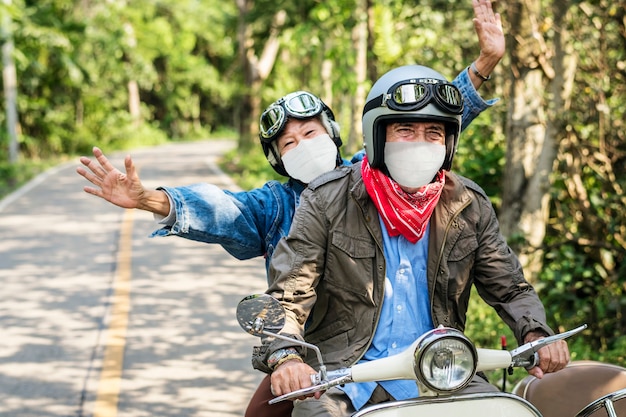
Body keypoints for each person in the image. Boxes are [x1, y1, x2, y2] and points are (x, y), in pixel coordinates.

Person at [76, 2, 505, 414]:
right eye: (289, 143)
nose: (303, 146)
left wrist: (483, 66)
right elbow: (219, 208)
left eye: (311, 132)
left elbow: (425, 123)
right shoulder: (274, 205)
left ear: (336, 134)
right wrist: (149, 198)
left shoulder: (372, 176)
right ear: (279, 159)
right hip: (309, 352)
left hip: (412, 349)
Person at [257, 63, 571, 417]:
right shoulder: (325, 199)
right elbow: (289, 295)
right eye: (405, 129)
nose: (421, 142)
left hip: (446, 371)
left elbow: (510, 287)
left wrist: (536, 334)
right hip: (347, 378)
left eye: (434, 132)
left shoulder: (468, 204)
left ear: (448, 142)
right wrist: (286, 357)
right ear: (377, 136)